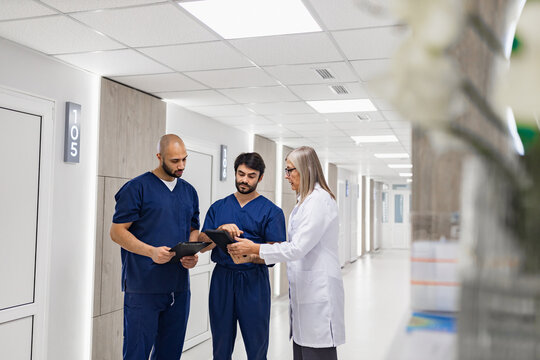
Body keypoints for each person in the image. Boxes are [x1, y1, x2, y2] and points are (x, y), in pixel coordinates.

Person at [228, 146, 345, 360]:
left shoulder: (319, 200)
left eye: (290, 170)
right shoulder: (305, 200)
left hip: (319, 292)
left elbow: (297, 247)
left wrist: (253, 248)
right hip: (304, 292)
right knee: (302, 350)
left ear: (305, 169)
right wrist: (255, 256)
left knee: (316, 350)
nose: (286, 176)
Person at [110, 134, 200, 360]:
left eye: (184, 160)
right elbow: (117, 232)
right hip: (144, 288)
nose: (181, 166)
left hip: (178, 288)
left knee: (170, 353)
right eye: (174, 161)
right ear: (159, 157)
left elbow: (193, 227)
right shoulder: (137, 188)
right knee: (137, 353)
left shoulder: (189, 191)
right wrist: (150, 251)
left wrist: (191, 252)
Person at [198, 152, 286, 360]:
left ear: (260, 177)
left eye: (251, 175)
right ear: (235, 173)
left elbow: (276, 253)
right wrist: (219, 230)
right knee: (221, 343)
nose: (245, 180)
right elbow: (202, 246)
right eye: (241, 174)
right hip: (222, 280)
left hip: (254, 281)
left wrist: (252, 252)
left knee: (256, 345)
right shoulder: (218, 207)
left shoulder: (272, 212)